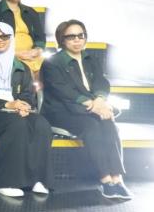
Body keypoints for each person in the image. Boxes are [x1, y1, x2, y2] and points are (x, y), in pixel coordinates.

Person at [41, 20, 130, 199]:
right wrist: (93, 105)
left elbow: (101, 82)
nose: (77, 40)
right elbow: (63, 92)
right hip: (61, 111)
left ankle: (117, 178)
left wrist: (100, 100)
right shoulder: (52, 63)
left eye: (80, 35)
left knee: (108, 122)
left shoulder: (90, 59)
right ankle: (105, 180)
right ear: (62, 40)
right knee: (92, 126)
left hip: (90, 107)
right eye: (71, 36)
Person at [0, 22, 52, 198]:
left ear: (11, 39)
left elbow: (28, 94)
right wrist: (6, 104)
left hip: (16, 111)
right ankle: (4, 181)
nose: (0, 41)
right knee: (17, 125)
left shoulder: (22, 67)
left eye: (4, 37)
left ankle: (37, 179)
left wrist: (24, 105)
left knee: (41, 124)